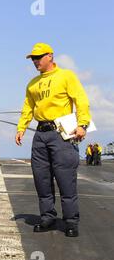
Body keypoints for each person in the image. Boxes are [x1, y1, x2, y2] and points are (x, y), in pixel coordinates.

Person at [16, 43, 91, 238]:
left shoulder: (66, 76)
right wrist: (21, 128)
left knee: (65, 179)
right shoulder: (32, 84)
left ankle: (71, 221)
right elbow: (28, 108)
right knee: (42, 179)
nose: (35, 61)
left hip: (61, 135)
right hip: (40, 134)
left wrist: (83, 124)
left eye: (39, 57)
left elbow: (81, 99)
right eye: (33, 58)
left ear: (50, 56)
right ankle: (47, 216)